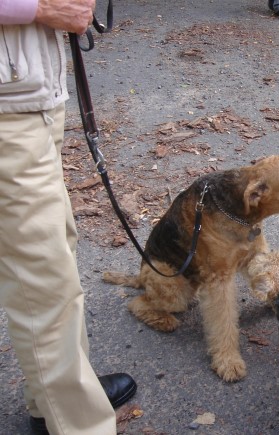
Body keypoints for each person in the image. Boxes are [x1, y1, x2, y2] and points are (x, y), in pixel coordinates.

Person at [0, 1, 137, 433]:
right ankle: (78, 423)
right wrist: (38, 8)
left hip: (28, 94)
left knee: (53, 257)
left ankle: (57, 397)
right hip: (9, 110)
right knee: (43, 279)